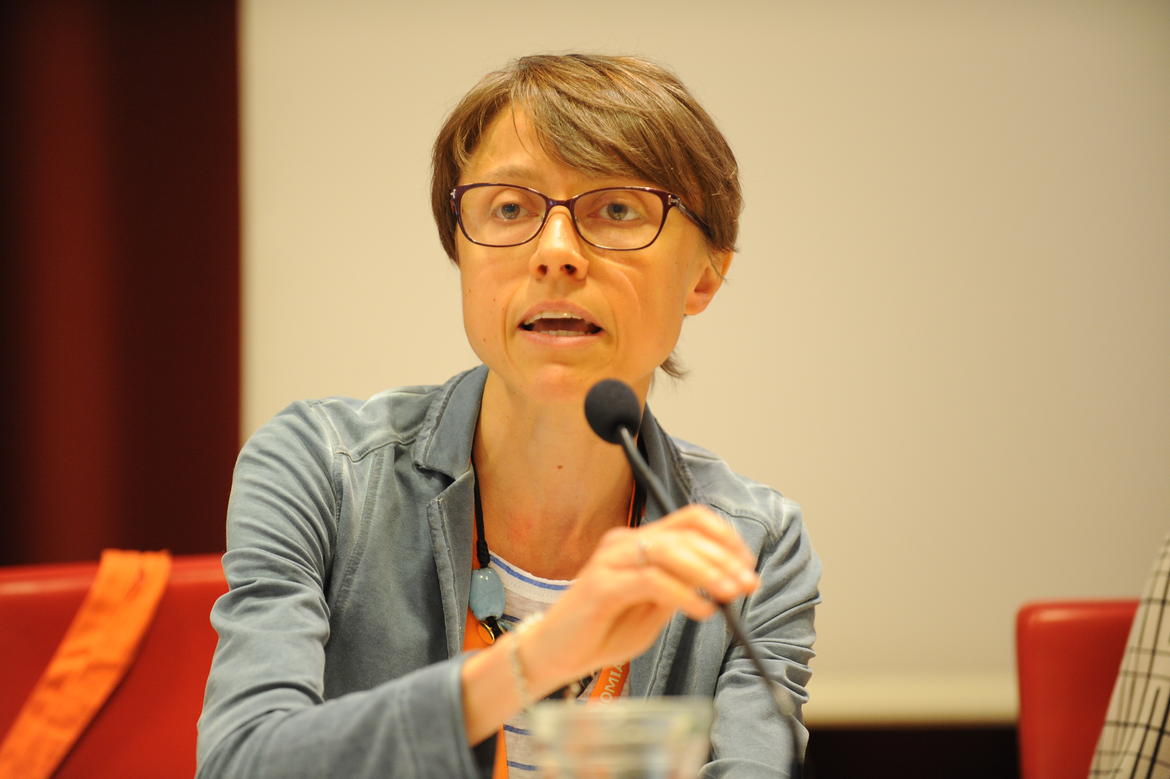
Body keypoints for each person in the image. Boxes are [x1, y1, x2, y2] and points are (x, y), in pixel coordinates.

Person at [197, 53, 821, 778]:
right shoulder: (323, 472)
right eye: (511, 209)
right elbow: (242, 762)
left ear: (706, 275)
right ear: (460, 250)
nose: (555, 254)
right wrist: (538, 657)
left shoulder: (753, 547)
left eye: (618, 209)